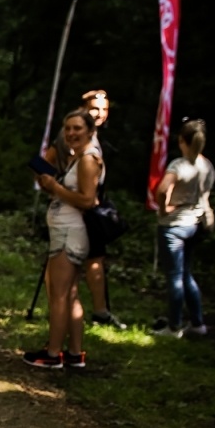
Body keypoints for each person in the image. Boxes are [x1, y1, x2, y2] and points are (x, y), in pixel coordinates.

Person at [23, 108, 100, 369]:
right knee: (70, 294)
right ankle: (75, 353)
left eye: (77, 128)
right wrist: (53, 188)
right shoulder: (79, 158)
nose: (71, 133)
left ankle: (53, 354)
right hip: (67, 231)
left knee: (58, 294)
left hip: (69, 233)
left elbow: (88, 200)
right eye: (68, 129)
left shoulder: (88, 160)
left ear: (90, 130)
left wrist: (56, 188)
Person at [153, 119, 215, 338]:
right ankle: (197, 323)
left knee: (175, 277)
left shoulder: (179, 166)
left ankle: (174, 326)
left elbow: (162, 190)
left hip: (174, 226)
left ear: (181, 141)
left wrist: (163, 208)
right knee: (186, 273)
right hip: (196, 225)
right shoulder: (206, 165)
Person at [77, 89, 125, 329]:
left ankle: (99, 312)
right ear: (84, 108)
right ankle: (86, 311)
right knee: (88, 260)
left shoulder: (98, 138)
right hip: (76, 211)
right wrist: (55, 188)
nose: (100, 114)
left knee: (96, 258)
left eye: (104, 109)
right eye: (95, 108)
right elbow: (42, 162)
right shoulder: (72, 134)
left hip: (92, 211)